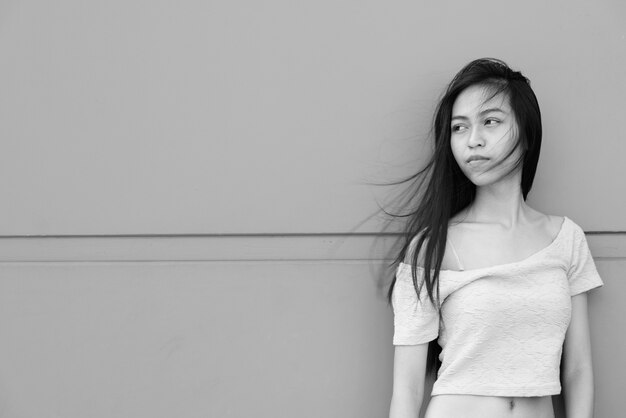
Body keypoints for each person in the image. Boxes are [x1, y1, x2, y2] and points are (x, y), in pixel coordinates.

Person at [387, 58, 603, 418]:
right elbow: (407, 391)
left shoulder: (567, 239)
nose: (473, 140)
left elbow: (578, 369)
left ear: (527, 132)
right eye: (459, 127)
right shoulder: (431, 247)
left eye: (491, 121)